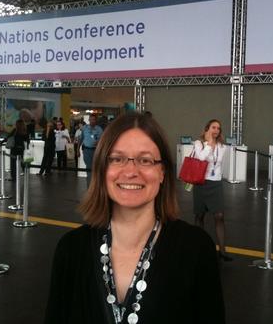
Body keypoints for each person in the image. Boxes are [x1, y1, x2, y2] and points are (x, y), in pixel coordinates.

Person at [45, 112, 225, 324]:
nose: (131, 171)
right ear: (103, 169)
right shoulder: (71, 250)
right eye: (117, 159)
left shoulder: (197, 249)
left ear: (162, 172)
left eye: (145, 160)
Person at [192, 119, 232, 261]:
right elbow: (201, 158)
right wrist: (208, 144)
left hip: (215, 183)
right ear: (207, 128)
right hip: (201, 183)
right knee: (200, 216)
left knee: (219, 215)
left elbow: (217, 162)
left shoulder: (222, 146)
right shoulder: (198, 144)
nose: (216, 130)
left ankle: (222, 250)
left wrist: (212, 147)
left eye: (218, 128)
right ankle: (199, 247)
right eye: (213, 127)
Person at [79, 113, 103, 186]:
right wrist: (77, 150)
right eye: (91, 119)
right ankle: (89, 186)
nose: (92, 121)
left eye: (94, 119)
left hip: (96, 151)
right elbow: (81, 139)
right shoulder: (85, 128)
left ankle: (95, 186)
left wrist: (99, 142)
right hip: (86, 151)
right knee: (89, 168)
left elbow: (103, 140)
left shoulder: (99, 129)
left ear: (96, 120)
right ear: (89, 120)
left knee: (95, 168)